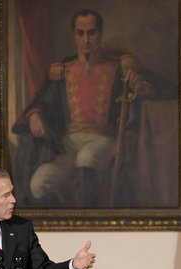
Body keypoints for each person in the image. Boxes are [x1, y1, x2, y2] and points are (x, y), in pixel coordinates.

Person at [12, 8, 159, 208]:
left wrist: (140, 87)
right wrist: (35, 114)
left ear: (100, 32)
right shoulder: (64, 69)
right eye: (81, 33)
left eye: (92, 32)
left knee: (87, 157)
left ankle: (88, 219)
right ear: (74, 35)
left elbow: (154, 89)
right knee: (39, 182)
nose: (86, 39)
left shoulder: (119, 67)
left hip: (104, 140)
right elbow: (43, 100)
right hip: (68, 144)